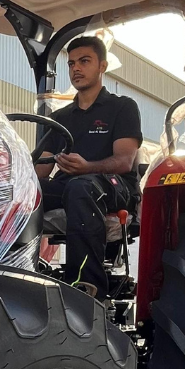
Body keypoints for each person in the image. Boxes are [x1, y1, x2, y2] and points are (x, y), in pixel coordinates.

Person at [35, 35, 143, 298]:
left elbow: (124, 161)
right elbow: (40, 170)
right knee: (19, 192)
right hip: (71, 185)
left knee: (80, 187)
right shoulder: (60, 118)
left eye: (84, 61)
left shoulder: (122, 107)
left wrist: (85, 167)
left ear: (102, 66)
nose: (76, 69)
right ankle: (10, 274)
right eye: (71, 64)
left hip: (116, 186)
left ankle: (85, 289)